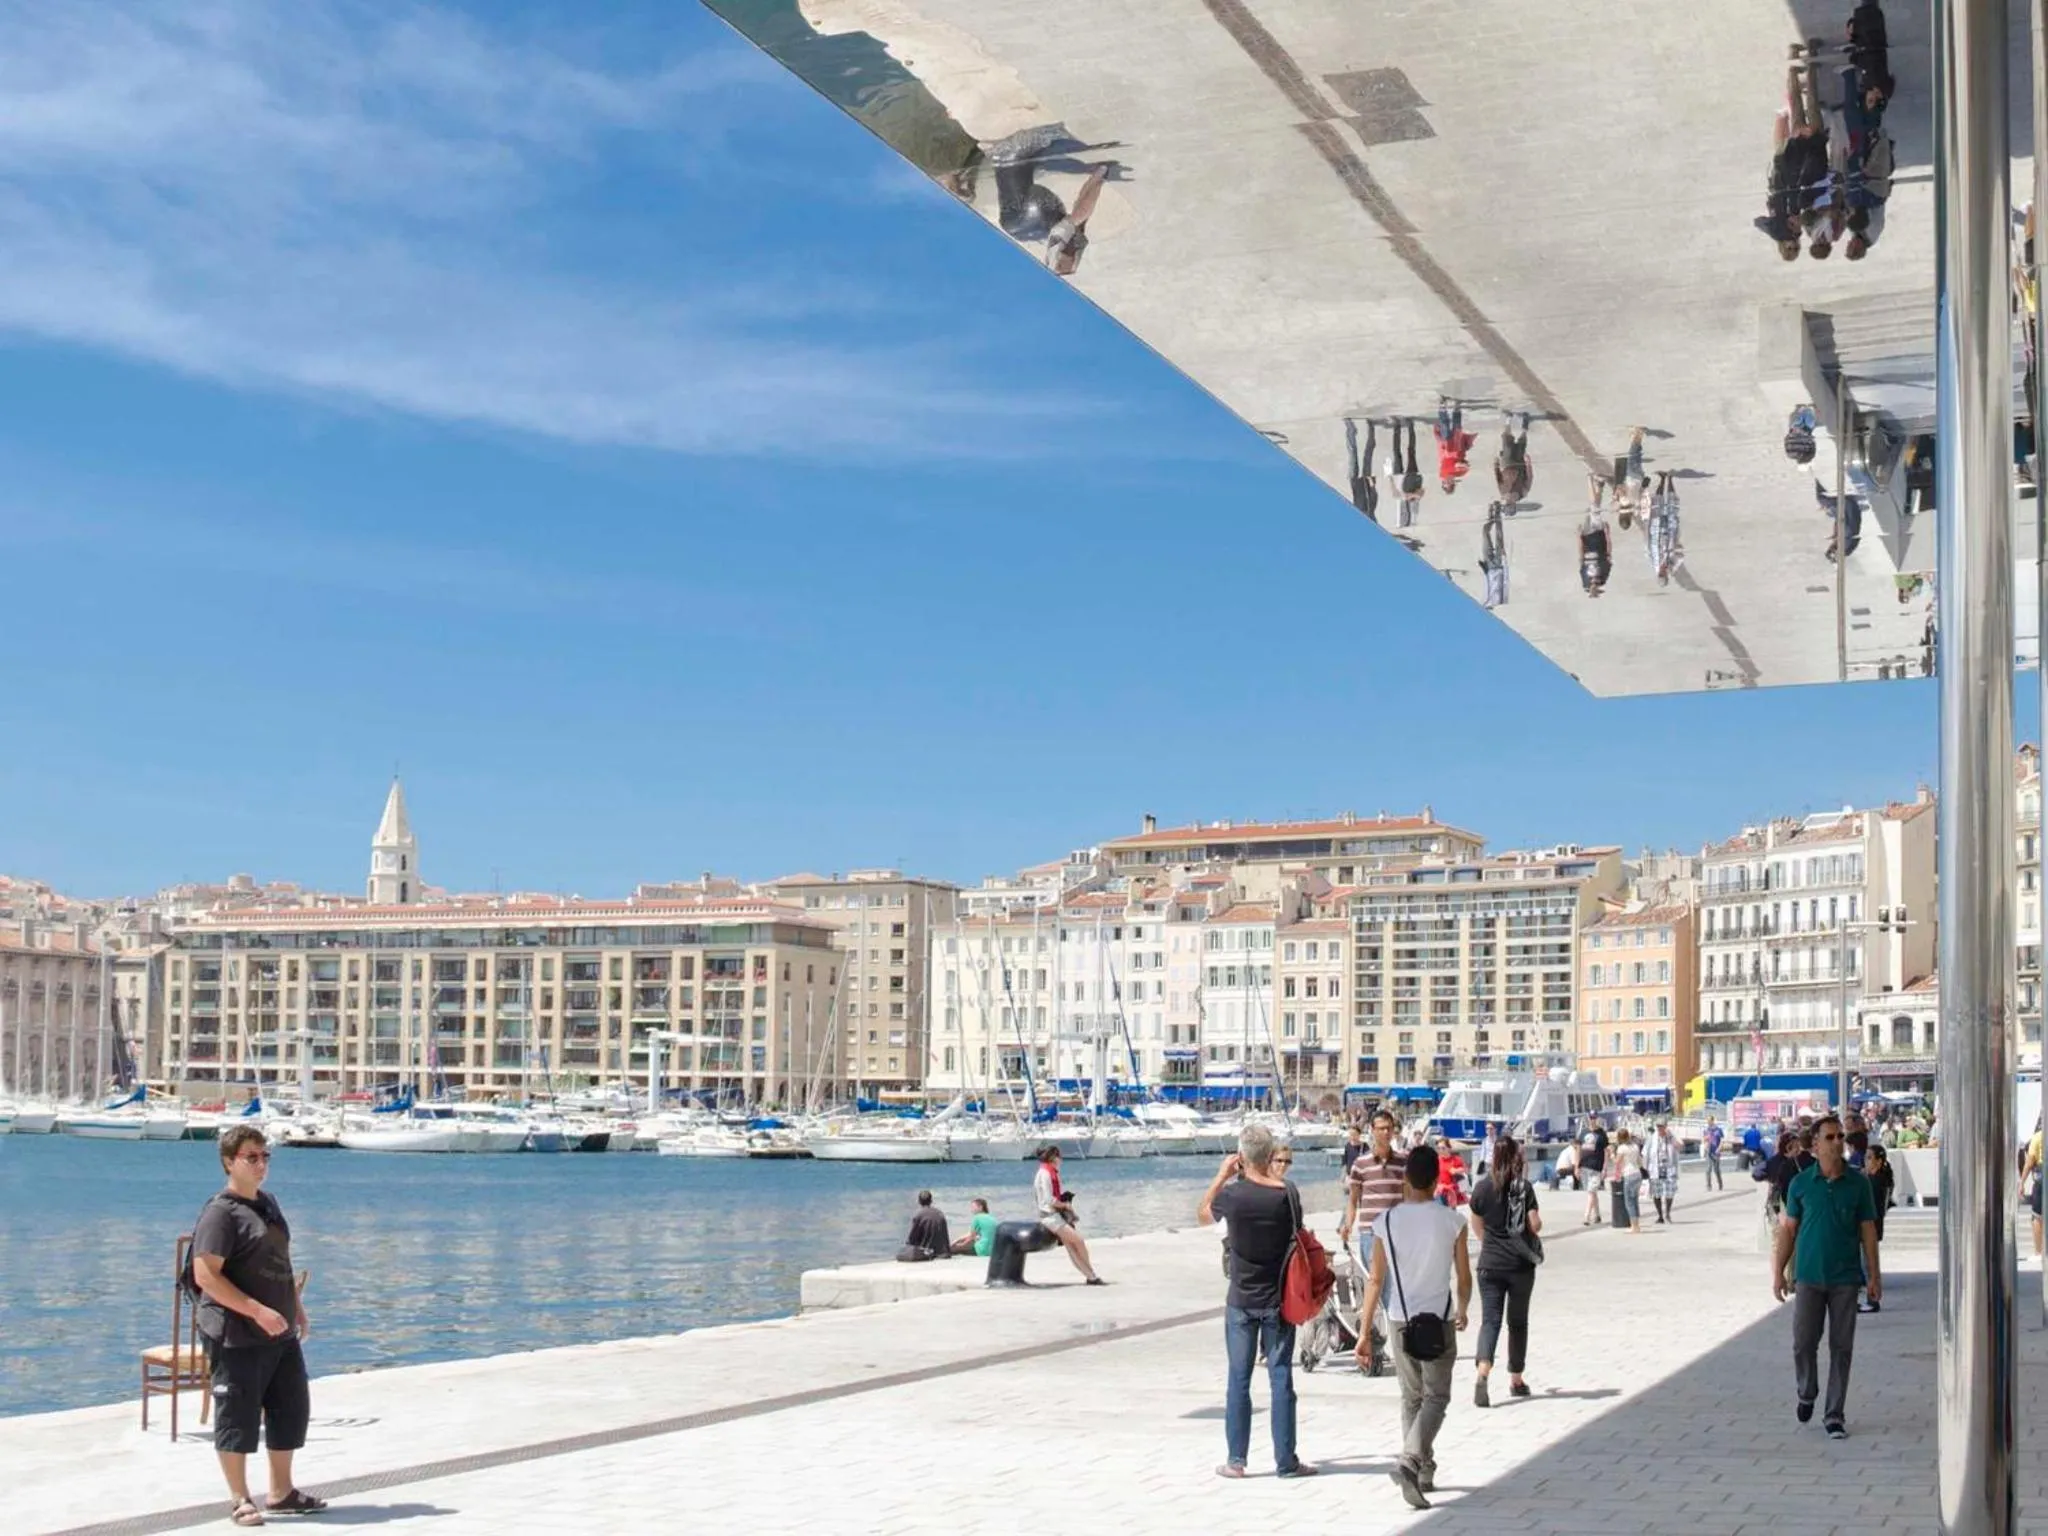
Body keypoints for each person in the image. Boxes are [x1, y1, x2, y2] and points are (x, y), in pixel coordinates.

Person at [190, 1124, 324, 1528]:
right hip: (236, 1332)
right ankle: (240, 1498)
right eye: (252, 1157)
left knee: (290, 1409)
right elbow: (206, 1276)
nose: (261, 1164)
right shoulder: (220, 1213)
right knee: (237, 1414)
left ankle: (281, 1493)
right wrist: (256, 1311)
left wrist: (296, 1307)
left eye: (265, 1156)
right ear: (230, 1162)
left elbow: (280, 1263)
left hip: (279, 1330)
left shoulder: (267, 1203)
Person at [1356, 1146, 1471, 1511]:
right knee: (1437, 1397)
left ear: (1406, 1178)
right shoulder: (1452, 1221)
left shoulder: (1385, 1222)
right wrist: (1464, 1308)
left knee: (1412, 1397)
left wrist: (1362, 1333)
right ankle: (1412, 1461)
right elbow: (1464, 1277)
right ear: (1437, 1180)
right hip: (1439, 1318)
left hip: (1399, 1318)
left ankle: (1421, 1469)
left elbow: (1375, 1279)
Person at [1200, 1125, 1316, 1480]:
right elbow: (1297, 1232)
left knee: (1239, 1379)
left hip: (1240, 1298)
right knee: (1281, 1378)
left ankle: (1236, 1460)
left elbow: (1204, 1212)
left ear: (1241, 1157)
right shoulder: (1287, 1193)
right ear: (1269, 1157)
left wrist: (1222, 1175)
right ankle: (1286, 1461)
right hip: (1278, 1298)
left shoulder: (1233, 1196)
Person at [1772, 1114, 1881, 1439]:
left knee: (1841, 1347)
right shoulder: (1801, 1184)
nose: (1837, 1143)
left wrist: (1874, 1275)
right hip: (1808, 1276)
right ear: (1815, 1144)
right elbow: (1788, 1231)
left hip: (1845, 1278)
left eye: (1840, 1137)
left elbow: (1868, 1231)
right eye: (1830, 1138)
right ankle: (1807, 1391)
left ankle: (1834, 1414)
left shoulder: (1858, 1184)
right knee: (1803, 1343)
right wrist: (1778, 1273)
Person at [1467, 1134, 1541, 1408]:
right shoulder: (1522, 1187)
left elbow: (1476, 1225)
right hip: (1520, 1265)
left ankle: (1482, 1372)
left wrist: (1491, 1245)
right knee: (1517, 1323)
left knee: (1490, 1321)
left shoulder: (1482, 1188)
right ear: (1515, 1157)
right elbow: (1535, 1225)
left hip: (1490, 1264)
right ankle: (1516, 1380)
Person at [1033, 1146, 1103, 1284]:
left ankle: (1090, 1275)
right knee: (1078, 1240)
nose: (1061, 1160)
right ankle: (1090, 1272)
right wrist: (1065, 1205)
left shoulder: (1048, 1172)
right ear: (1053, 1158)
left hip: (1053, 1215)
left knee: (1071, 1246)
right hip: (1050, 1216)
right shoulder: (1046, 1174)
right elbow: (1049, 1199)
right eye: (1060, 1157)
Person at [1862, 1148, 1894, 1313]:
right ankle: (1870, 1298)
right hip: (1875, 1226)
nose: (1866, 1162)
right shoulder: (1878, 1180)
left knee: (1869, 1265)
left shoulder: (1874, 1182)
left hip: (1871, 1228)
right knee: (1869, 1264)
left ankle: (1872, 1299)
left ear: (1878, 1162)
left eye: (1869, 1158)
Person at [1387, 417, 1424, 529]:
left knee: (1396, 452)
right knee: (1411, 451)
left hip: (1398, 479)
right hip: (1411, 479)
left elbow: (1395, 494)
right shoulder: (1414, 512)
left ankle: (1396, 426)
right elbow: (1420, 493)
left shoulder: (1399, 502)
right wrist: (1410, 495)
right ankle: (1410, 427)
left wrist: (1390, 479)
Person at [1435, 399, 1476, 494]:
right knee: (1457, 426)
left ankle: (1442, 408)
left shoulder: (1442, 474)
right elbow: (1466, 465)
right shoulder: (1461, 473)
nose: (1447, 481)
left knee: (1445, 426)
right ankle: (1457, 408)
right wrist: (1464, 464)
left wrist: (1459, 465)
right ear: (1453, 483)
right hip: (1458, 447)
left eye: (1445, 483)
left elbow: (1449, 465)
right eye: (1449, 483)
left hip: (1446, 447)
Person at [1644, 1121, 1681, 1224]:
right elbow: (1645, 1153)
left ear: (1666, 1127)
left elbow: (1680, 1146)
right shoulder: (1652, 1138)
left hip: (1669, 1169)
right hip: (1655, 1169)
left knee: (1669, 1193)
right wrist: (1645, 1169)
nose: (1660, 1129)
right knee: (1656, 1193)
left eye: (1662, 1127)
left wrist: (1671, 1137)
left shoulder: (1671, 1137)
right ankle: (1660, 1215)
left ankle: (1667, 1212)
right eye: (1658, 1127)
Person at [1344, 418, 1380, 524]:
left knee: (1352, 454)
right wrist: (1372, 484)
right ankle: (1371, 429)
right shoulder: (1370, 512)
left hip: (1355, 482)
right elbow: (1374, 497)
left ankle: (1351, 429)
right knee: (1368, 454)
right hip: (1366, 482)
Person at [1610, 1128, 1645, 1233]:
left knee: (1629, 1202)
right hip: (1637, 1174)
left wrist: (1612, 1155)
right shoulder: (1635, 1146)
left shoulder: (1622, 1148)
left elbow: (1617, 1162)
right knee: (1635, 1200)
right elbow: (1640, 1162)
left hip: (1629, 1175)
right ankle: (1637, 1224)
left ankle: (1634, 1227)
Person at [1494, 412, 1532, 509]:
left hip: (1507, 464)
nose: (1509, 501)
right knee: (1521, 443)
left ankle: (1508, 420)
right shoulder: (1523, 493)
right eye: (1510, 504)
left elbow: (1498, 477)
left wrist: (1496, 464)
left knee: (1507, 442)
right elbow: (1529, 478)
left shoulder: (1502, 492)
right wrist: (1528, 464)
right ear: (1514, 504)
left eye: (1507, 503)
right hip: (1519, 464)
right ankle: (1525, 424)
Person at [900, 1189, 951, 1261]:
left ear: (919, 1201)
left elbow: (912, 1240)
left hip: (928, 1253)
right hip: (944, 1252)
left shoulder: (919, 1216)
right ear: (931, 1201)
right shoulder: (940, 1213)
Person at [1579, 1119, 1610, 1225]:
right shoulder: (1583, 1132)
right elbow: (1578, 1149)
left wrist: (1605, 1167)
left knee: (1591, 1191)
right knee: (1591, 1192)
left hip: (1597, 1166)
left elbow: (1606, 1151)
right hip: (1584, 1165)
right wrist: (1576, 1166)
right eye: (1591, 1118)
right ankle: (1597, 1215)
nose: (1592, 1120)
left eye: (1594, 1118)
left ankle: (1586, 1216)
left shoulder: (1601, 1133)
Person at [1435, 1138, 1470, 1207]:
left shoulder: (1455, 1159)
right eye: (1438, 1148)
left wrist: (1456, 1170)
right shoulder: (1436, 1160)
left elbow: (1466, 1169)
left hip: (1452, 1194)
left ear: (1449, 1148)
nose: (1440, 1150)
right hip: (1440, 1192)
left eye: (1443, 1148)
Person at [1704, 1115, 1726, 1190]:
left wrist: (1719, 1149)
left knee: (1716, 1170)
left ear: (1713, 1121)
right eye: (1707, 1121)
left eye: (1709, 1121)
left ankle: (1720, 1183)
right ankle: (1708, 1186)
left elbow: (1722, 1141)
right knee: (1708, 1169)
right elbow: (1704, 1140)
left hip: (1716, 1152)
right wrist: (1705, 1144)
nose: (1708, 1122)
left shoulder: (1718, 1130)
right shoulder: (1706, 1130)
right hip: (1709, 1152)